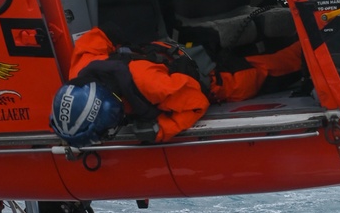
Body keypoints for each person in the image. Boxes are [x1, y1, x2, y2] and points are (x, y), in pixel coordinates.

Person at [49, 27, 303, 146]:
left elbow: (196, 103)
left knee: (287, 64)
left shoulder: (152, 85)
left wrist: (160, 130)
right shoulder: (83, 66)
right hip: (167, 56)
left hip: (218, 80)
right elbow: (95, 36)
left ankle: (327, 40)